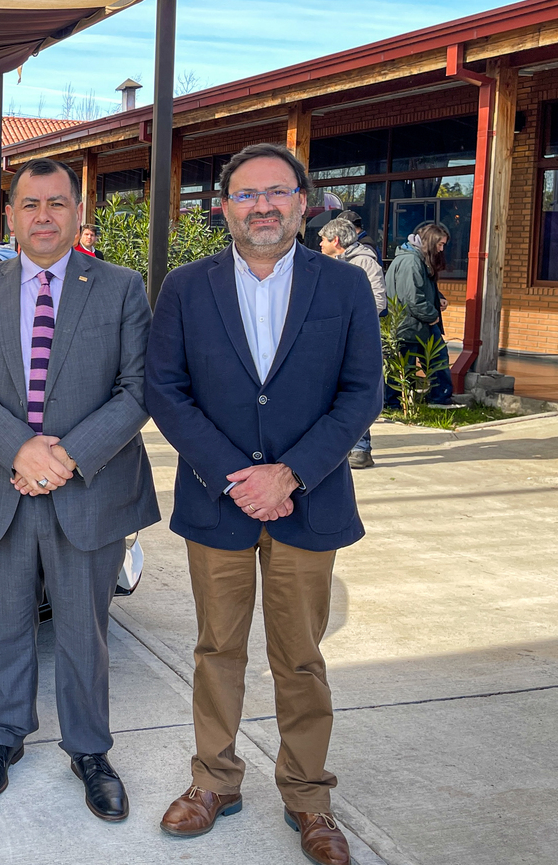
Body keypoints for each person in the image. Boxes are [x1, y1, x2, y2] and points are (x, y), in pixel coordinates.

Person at [145, 143, 381, 865]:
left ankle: (308, 794)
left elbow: (361, 393)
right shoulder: (187, 287)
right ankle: (214, 780)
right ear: (224, 208)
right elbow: (166, 390)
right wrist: (234, 475)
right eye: (247, 195)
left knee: (300, 656)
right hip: (217, 501)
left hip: (310, 500)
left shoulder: (343, 286)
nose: (263, 206)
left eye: (278, 192)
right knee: (217, 648)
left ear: (303, 204)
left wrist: (292, 474)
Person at [0, 157, 158, 822]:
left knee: (84, 632)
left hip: (89, 489)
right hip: (1, 484)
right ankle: (4, 734)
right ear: (9, 215)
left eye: (57, 203)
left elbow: (138, 389)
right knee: (5, 622)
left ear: (78, 212)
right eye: (30, 204)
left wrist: (64, 457)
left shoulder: (121, 287)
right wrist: (21, 449)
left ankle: (89, 749)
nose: (44, 216)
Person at [319, 217, 386, 468]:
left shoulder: (365, 263)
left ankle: (361, 449)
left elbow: (378, 300)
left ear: (336, 240)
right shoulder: (327, 264)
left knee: (354, 390)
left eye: (323, 239)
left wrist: (350, 320)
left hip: (355, 339)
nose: (320, 244)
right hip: (330, 338)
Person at [384, 221, 456, 408]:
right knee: (409, 365)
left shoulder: (415, 258)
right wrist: (432, 315)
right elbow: (412, 298)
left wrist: (438, 298)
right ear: (430, 242)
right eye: (440, 244)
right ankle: (397, 404)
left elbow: (417, 289)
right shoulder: (411, 262)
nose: (441, 249)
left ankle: (434, 399)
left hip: (415, 322)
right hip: (411, 324)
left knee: (419, 363)